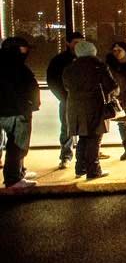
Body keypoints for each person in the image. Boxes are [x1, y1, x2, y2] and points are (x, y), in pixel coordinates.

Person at [63, 41, 118, 180]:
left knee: (83, 137)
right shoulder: (98, 66)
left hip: (75, 106)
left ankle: (80, 168)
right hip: (95, 106)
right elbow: (111, 86)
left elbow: (66, 85)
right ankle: (93, 170)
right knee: (95, 138)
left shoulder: (69, 68)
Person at [0, 37, 41, 188]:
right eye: (24, 48)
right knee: (17, 145)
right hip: (17, 111)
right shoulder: (15, 67)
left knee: (14, 144)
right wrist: (29, 104)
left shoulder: (7, 64)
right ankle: (13, 178)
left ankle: (19, 172)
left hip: (9, 111)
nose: (27, 51)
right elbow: (22, 89)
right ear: (15, 49)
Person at [47, 31, 84, 169]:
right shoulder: (59, 60)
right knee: (67, 128)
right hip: (68, 99)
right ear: (67, 43)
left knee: (84, 129)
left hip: (82, 100)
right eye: (76, 42)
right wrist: (62, 97)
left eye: (81, 42)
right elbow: (52, 80)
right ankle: (66, 156)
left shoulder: (85, 58)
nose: (79, 45)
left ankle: (83, 155)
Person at [105, 41, 126, 161]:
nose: (117, 53)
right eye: (114, 51)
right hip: (119, 97)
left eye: (119, 50)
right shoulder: (111, 65)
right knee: (122, 124)